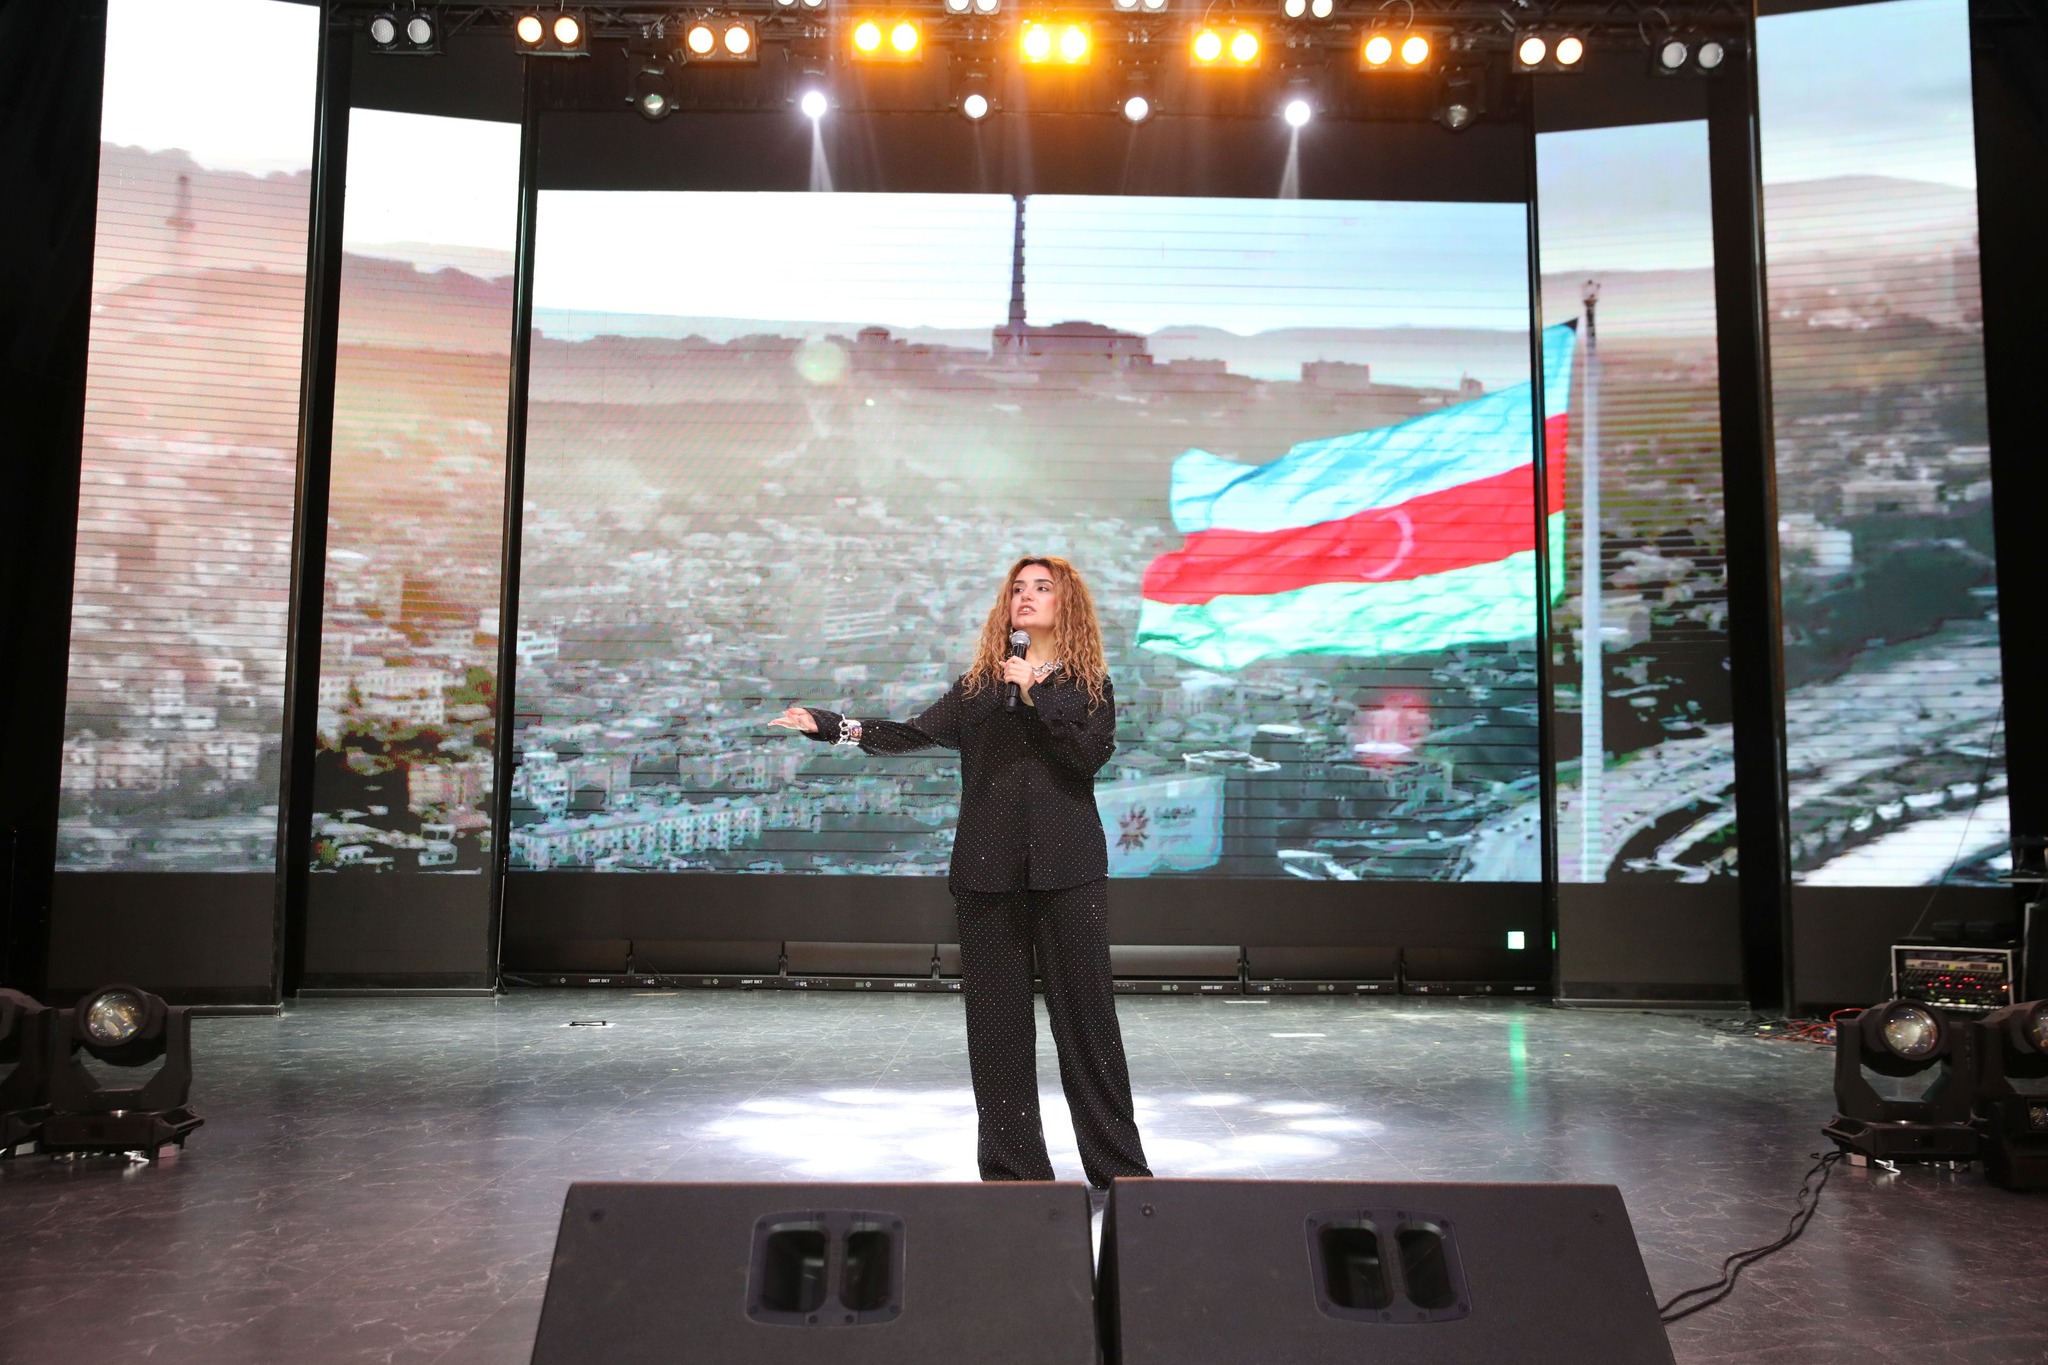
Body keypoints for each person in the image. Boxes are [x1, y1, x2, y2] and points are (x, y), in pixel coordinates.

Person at [768, 555, 1152, 1188]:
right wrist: (833, 727)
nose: (1026, 596)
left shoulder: (1088, 687)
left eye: (1042, 588)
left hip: (1069, 871)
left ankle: (1120, 1172)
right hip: (986, 874)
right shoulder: (978, 690)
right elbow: (910, 735)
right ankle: (1015, 1174)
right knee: (997, 1031)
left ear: (1068, 605)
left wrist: (1035, 694)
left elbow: (1088, 757)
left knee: (1088, 1022)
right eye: (1018, 588)